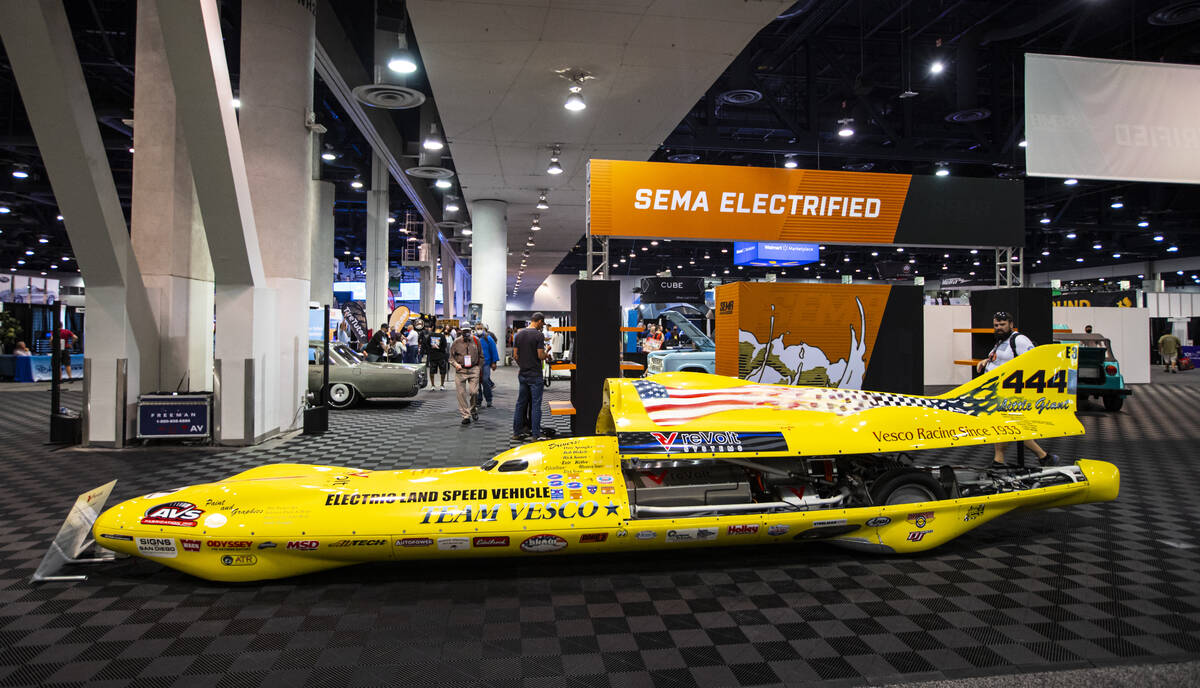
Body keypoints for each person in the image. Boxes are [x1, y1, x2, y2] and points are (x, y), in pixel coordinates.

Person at [975, 312, 1058, 468]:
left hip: (1012, 393)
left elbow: (1033, 361)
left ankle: (1042, 456)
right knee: (1004, 425)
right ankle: (1004, 460)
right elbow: (1000, 360)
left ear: (1011, 324)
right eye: (996, 325)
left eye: (1002, 324)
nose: (999, 328)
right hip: (998, 392)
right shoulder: (1001, 342)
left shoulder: (1019, 340)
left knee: (1011, 426)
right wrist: (985, 361)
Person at [512, 312, 548, 441]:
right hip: (535, 374)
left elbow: (515, 355)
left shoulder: (518, 334)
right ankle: (535, 435)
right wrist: (547, 354)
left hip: (523, 374)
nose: (542, 326)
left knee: (520, 404)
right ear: (539, 321)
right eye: (542, 323)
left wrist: (522, 366)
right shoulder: (539, 335)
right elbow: (540, 355)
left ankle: (517, 432)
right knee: (536, 405)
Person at [450, 326, 482, 425]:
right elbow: (451, 358)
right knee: (461, 394)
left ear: (470, 331)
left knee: (474, 392)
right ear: (461, 331)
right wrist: (456, 364)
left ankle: (473, 410)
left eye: (468, 331)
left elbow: (481, 355)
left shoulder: (476, 340)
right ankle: (465, 415)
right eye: (464, 331)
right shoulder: (456, 342)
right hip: (461, 370)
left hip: (473, 369)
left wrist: (479, 367)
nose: (466, 333)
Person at [477, 324, 499, 408]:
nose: (479, 330)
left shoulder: (488, 338)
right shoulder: (473, 338)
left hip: (486, 363)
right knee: (476, 383)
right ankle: (478, 400)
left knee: (485, 380)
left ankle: (489, 399)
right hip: (475, 364)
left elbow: (494, 350)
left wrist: (494, 362)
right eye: (478, 328)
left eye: (480, 328)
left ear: (483, 329)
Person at [425, 324, 449, 390]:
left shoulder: (430, 335)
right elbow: (445, 345)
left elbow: (426, 344)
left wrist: (431, 349)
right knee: (442, 371)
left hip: (432, 356)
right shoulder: (442, 336)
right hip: (441, 356)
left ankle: (432, 385)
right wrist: (440, 348)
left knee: (432, 371)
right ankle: (442, 385)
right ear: (441, 329)